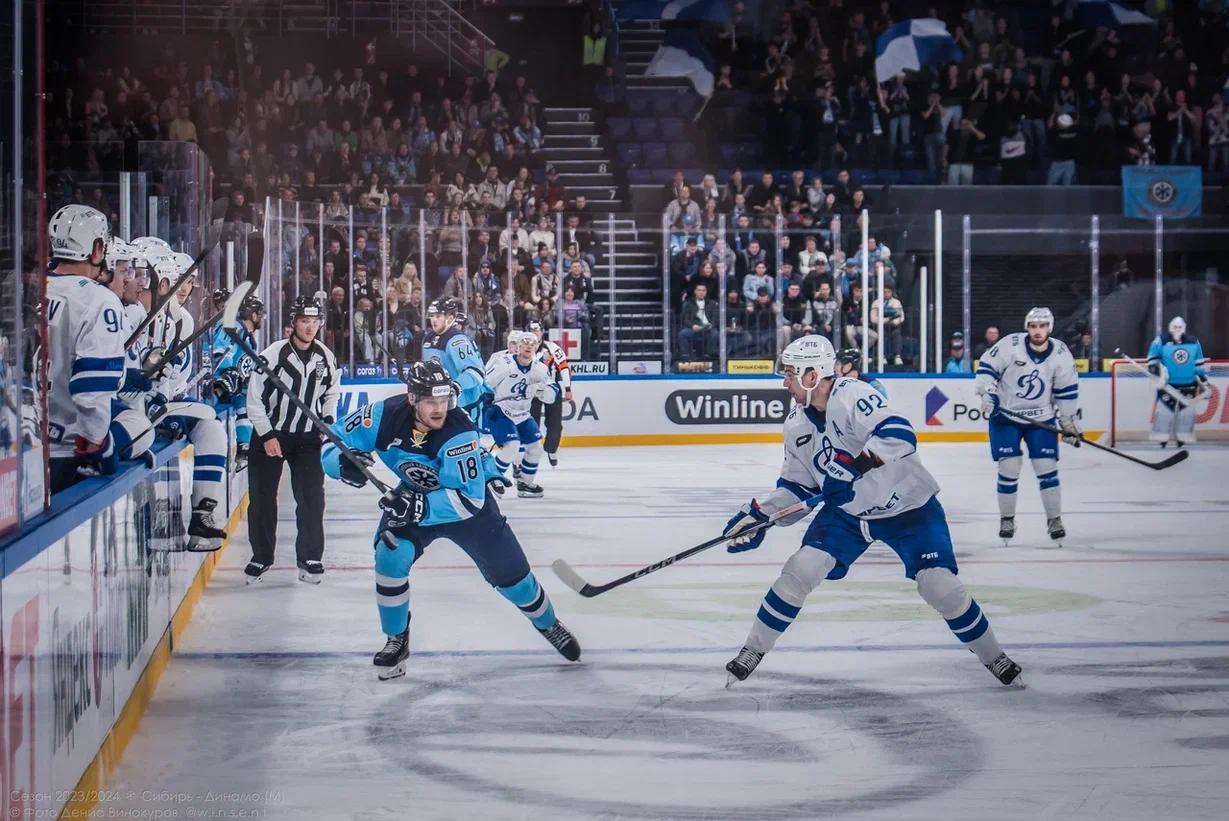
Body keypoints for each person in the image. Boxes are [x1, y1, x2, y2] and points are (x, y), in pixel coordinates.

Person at [721, 335, 1022, 688]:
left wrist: (850, 466)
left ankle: (994, 656)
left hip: (907, 505)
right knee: (800, 569)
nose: (784, 382)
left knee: (939, 586)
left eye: (789, 374)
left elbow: (899, 433)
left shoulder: (854, 395)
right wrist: (761, 515)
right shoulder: (796, 424)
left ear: (811, 375)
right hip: (849, 514)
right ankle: (753, 650)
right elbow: (799, 487)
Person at [322, 359, 580, 680]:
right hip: (413, 496)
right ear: (412, 398)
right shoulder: (382, 415)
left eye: (444, 400)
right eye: (431, 400)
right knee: (390, 555)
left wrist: (419, 508)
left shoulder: (459, 432)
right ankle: (397, 639)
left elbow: (470, 500)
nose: (439, 409)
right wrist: (343, 463)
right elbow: (332, 440)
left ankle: (548, 623)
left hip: (464, 508)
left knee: (513, 579)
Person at [124, 248, 230, 550]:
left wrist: (163, 386)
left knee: (210, 425)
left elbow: (175, 376)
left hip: (158, 404)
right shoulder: (132, 314)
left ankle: (202, 516)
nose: (185, 287)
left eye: (189, 281)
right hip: (129, 410)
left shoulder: (179, 320)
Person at [44, 205, 153, 494]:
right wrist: (100, 447)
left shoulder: (28, 290)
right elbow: (90, 387)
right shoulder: (98, 300)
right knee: (142, 429)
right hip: (69, 453)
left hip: (24, 447)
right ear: (95, 248)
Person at [244, 296, 339, 584]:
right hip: (271, 434)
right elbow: (254, 398)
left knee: (311, 498)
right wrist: (267, 434)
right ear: (293, 323)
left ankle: (310, 556)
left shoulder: (326, 356)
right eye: (304, 321)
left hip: (308, 437)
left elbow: (332, 391)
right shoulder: (273, 354)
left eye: (314, 321)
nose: (310, 327)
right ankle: (261, 556)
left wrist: (328, 419)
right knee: (262, 498)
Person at [974, 307, 1081, 546]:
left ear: (1050, 328)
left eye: (1042, 326)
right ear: (1027, 327)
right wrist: (987, 391)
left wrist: (1067, 422)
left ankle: (1054, 520)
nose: (1037, 331)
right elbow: (986, 370)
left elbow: (1066, 392)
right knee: (1009, 468)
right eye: (1033, 326)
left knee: (1047, 468)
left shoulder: (1061, 353)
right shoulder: (1009, 345)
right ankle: (1007, 519)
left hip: (1041, 419)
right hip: (1006, 417)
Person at [483, 331, 560, 498]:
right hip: (501, 409)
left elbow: (553, 393)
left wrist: (541, 390)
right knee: (512, 445)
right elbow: (485, 384)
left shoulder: (539, 368)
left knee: (536, 448)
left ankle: (525, 483)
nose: (529, 346)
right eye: (525, 342)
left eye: (533, 344)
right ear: (517, 347)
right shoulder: (504, 363)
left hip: (523, 413)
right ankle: (492, 479)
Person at [211, 293, 265, 467]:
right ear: (253, 314)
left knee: (244, 404)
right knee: (213, 409)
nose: (261, 318)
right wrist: (227, 372)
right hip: (218, 381)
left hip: (232, 384)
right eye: (260, 313)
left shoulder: (248, 338)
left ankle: (244, 446)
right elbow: (219, 349)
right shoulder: (234, 326)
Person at [1146, 316, 1210, 447]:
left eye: (1180, 327)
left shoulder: (1193, 342)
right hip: (1168, 384)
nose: (1177, 330)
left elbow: (1199, 363)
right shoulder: (1161, 341)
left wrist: (1203, 380)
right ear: (1170, 328)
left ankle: (1183, 438)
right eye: (1175, 327)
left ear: (1184, 328)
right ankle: (1161, 438)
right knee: (1164, 412)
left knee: (1186, 413)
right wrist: (1155, 371)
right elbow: (1152, 358)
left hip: (1189, 385)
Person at [422, 296, 486, 422]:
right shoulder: (428, 339)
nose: (434, 320)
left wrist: (455, 387)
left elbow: (476, 372)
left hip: (465, 405)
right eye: (432, 315)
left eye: (438, 316)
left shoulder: (457, 340)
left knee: (467, 441)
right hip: (441, 406)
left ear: (450, 318)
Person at [527, 320, 572, 467]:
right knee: (530, 423)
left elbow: (564, 367)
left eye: (537, 330)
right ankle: (529, 452)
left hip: (551, 389)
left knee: (555, 424)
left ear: (542, 332)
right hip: (531, 390)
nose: (535, 333)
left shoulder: (552, 348)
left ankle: (551, 449)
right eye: (532, 330)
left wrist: (567, 388)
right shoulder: (523, 348)